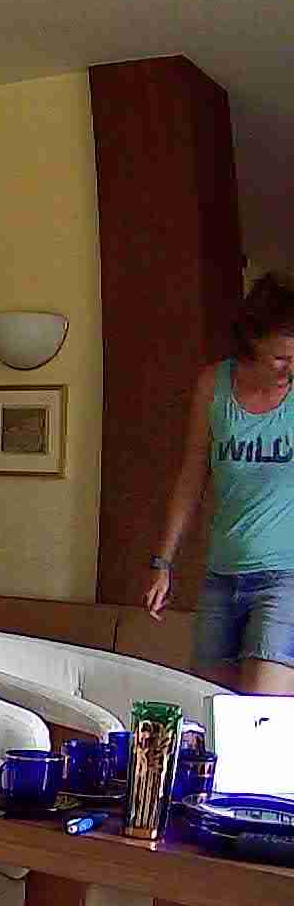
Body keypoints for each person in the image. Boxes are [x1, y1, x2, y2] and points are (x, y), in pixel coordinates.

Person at [146, 272, 294, 692]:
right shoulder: (214, 385)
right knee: (216, 710)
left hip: (286, 578)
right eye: (280, 358)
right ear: (253, 341)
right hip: (221, 577)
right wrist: (163, 563)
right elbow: (191, 476)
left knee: (263, 714)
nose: (289, 369)